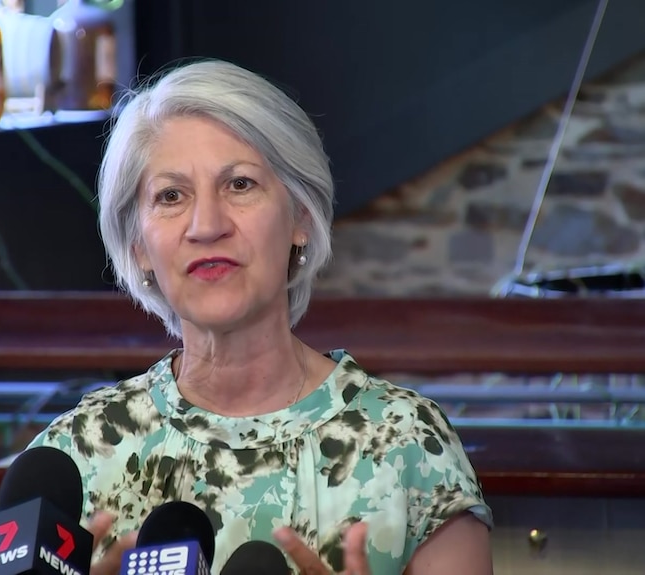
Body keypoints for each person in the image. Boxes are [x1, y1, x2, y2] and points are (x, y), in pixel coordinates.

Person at [27, 58, 494, 574]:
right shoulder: (75, 454)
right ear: (138, 246)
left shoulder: (409, 446)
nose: (206, 225)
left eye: (240, 184)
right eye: (171, 196)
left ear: (299, 216)